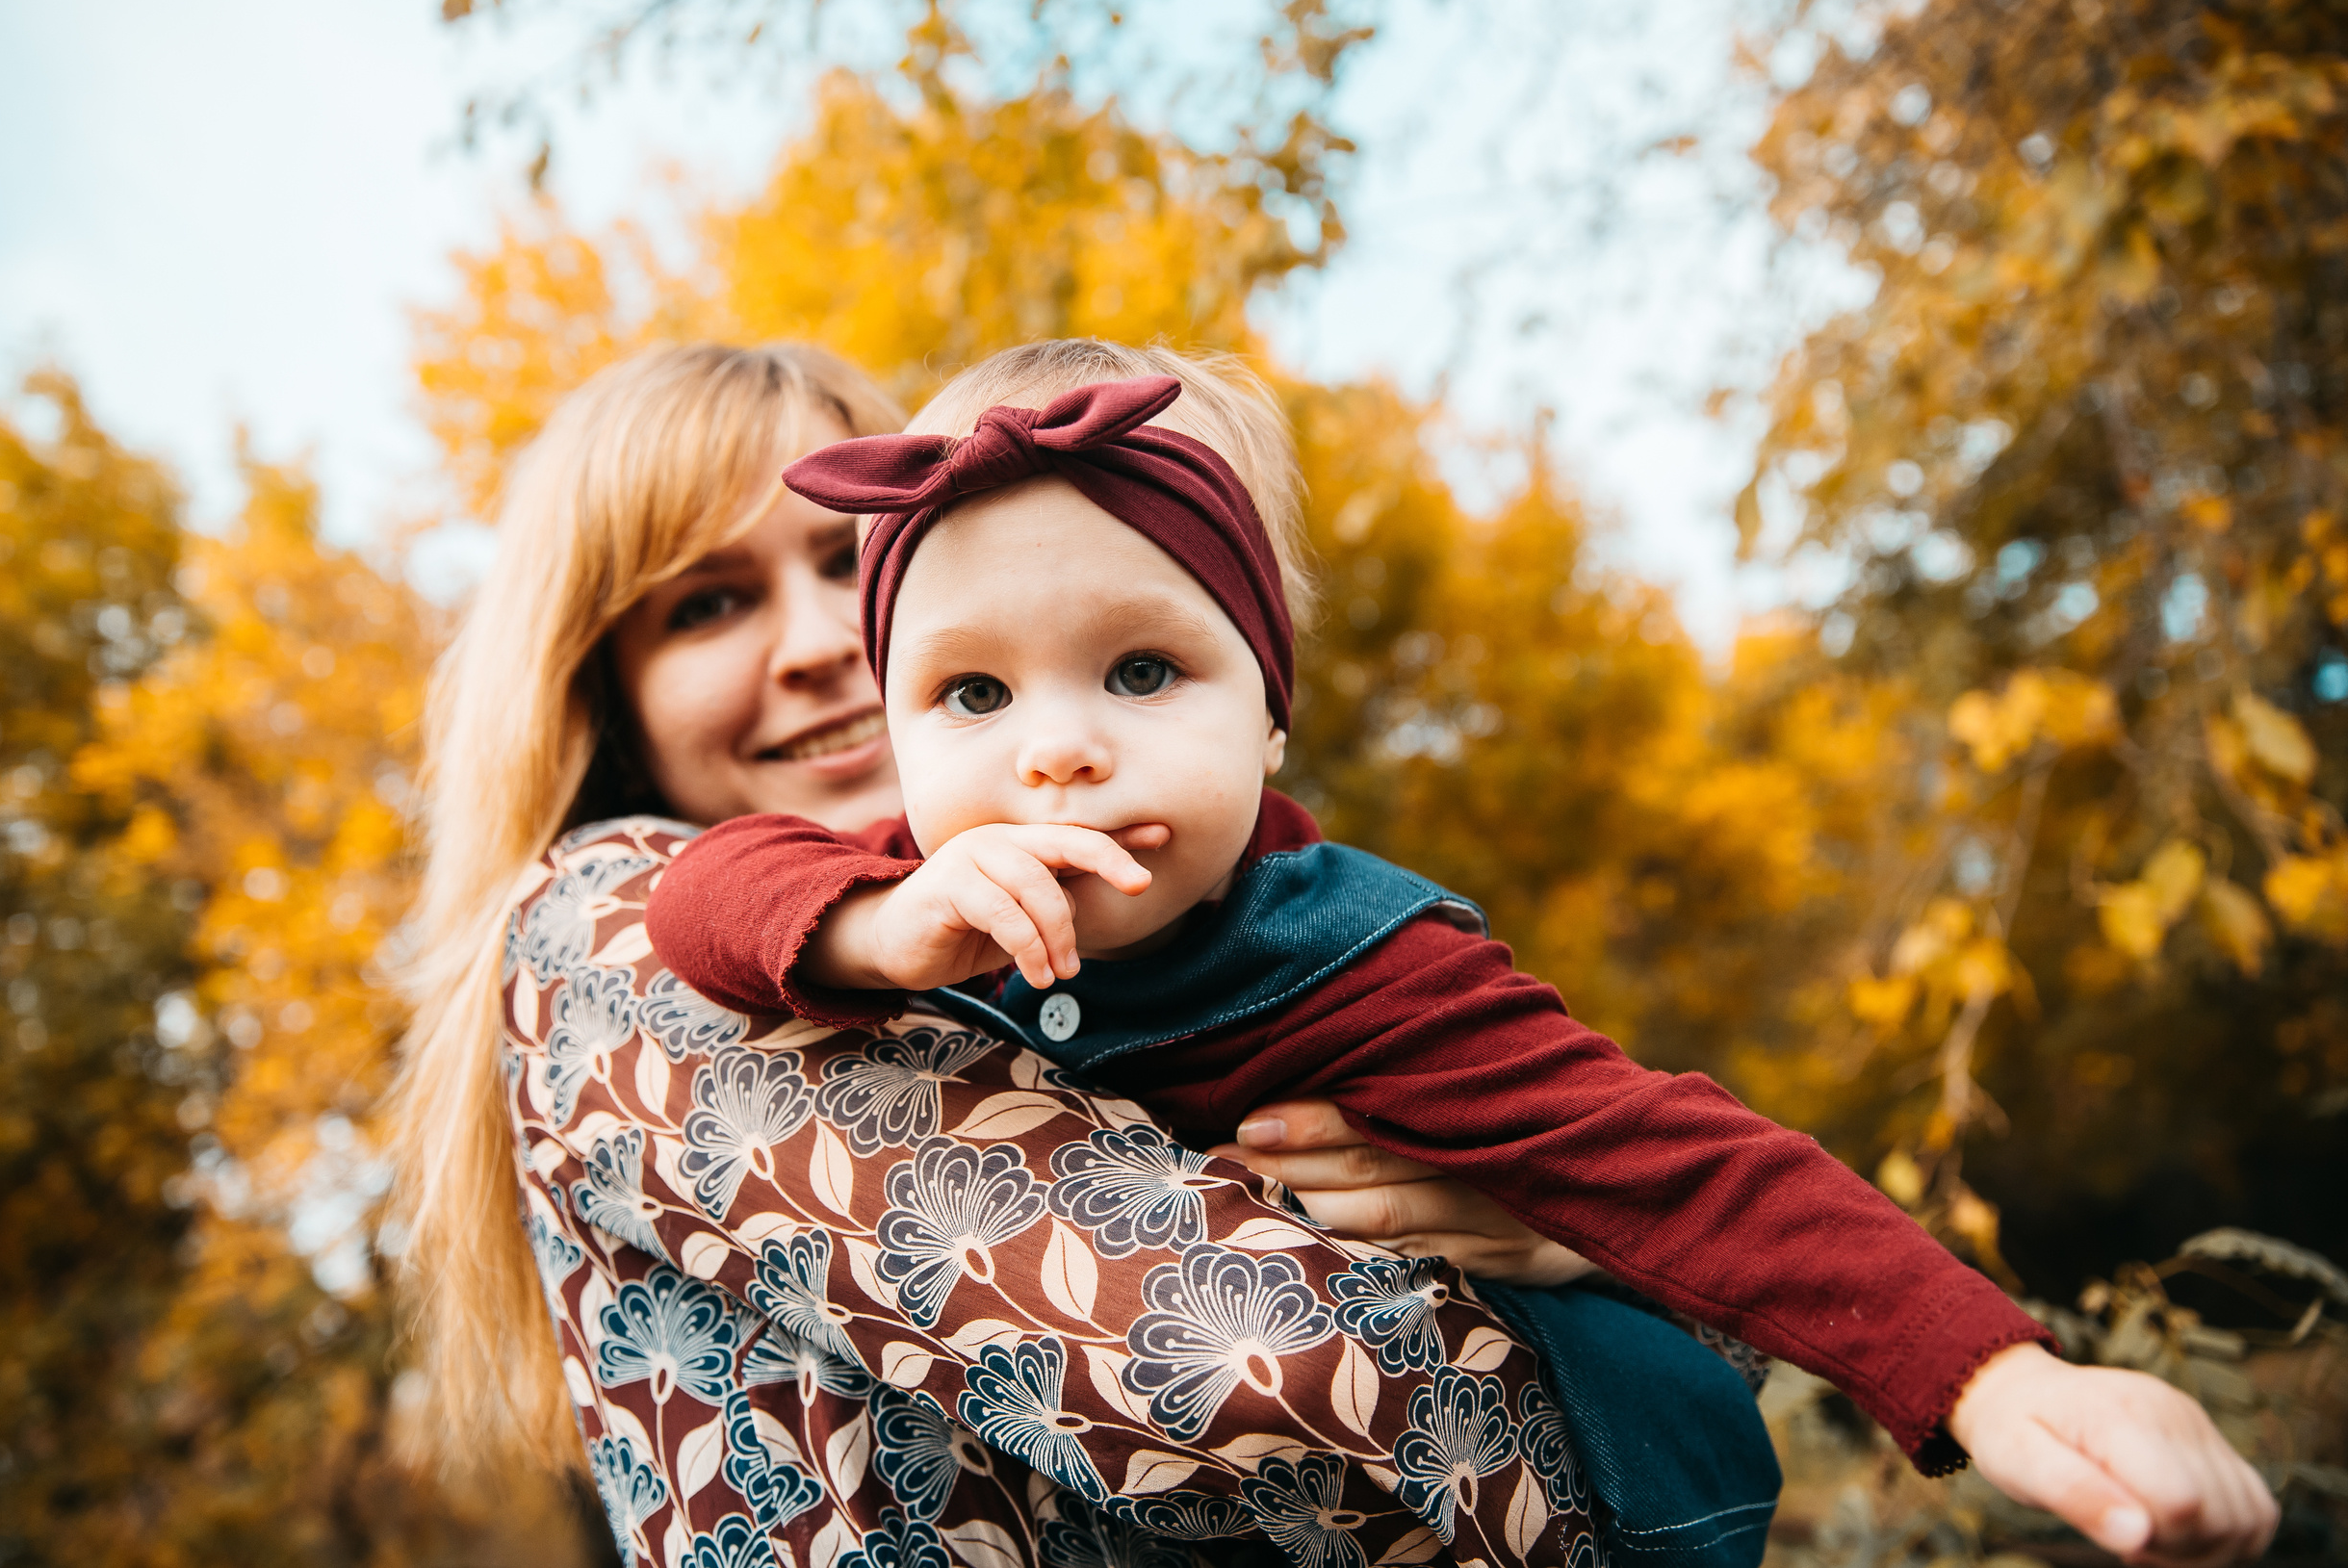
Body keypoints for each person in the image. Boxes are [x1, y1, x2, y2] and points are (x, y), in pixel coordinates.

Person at [648, 341, 2281, 1568]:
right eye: (971, 696)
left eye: (1142, 672)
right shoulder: (890, 885)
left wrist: (1993, 1378)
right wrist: (874, 928)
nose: (1055, 754)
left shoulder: (1368, 966)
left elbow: (1690, 1169)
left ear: (1270, 705)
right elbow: (697, 901)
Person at [387, 343, 1640, 1568]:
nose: (825, 639)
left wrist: (1569, 1228)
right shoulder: (603, 932)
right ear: (601, 694)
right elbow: (1270, 1364)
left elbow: (1721, 1312)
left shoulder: (1148, 945)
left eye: (847, 559)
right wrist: (1560, 1294)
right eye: (709, 603)